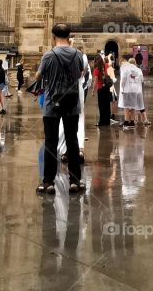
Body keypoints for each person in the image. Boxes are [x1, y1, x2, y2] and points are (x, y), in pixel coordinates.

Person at [35, 23, 86, 194]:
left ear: (53, 36)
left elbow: (38, 76)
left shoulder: (49, 55)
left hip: (52, 103)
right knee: (72, 141)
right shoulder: (78, 54)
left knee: (51, 142)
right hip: (72, 103)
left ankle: (48, 183)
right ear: (69, 36)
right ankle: (75, 182)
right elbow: (80, 73)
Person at [117, 56, 144, 129]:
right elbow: (141, 79)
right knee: (133, 106)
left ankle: (126, 121)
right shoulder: (136, 69)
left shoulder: (125, 68)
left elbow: (123, 79)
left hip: (127, 89)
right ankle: (132, 121)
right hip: (134, 89)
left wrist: (122, 88)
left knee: (126, 106)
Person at [92, 50, 112, 127]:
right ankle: (107, 121)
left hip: (100, 88)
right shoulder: (106, 65)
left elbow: (95, 80)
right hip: (107, 87)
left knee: (101, 105)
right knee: (107, 104)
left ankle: (102, 121)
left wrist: (93, 90)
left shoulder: (97, 68)